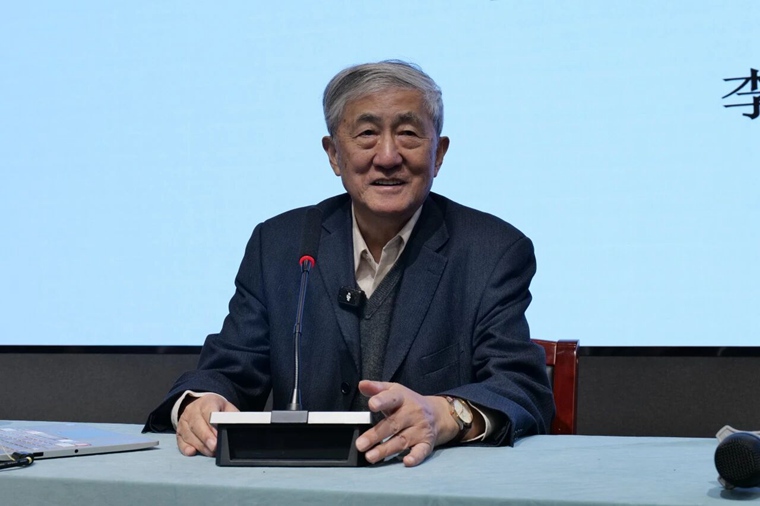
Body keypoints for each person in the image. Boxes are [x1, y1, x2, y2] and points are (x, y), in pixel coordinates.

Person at [144, 60, 554, 467]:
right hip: (302, 485)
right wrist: (200, 403)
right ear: (334, 154)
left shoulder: (491, 251)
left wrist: (445, 414)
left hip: (428, 484)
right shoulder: (281, 245)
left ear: (439, 154)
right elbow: (228, 371)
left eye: (408, 133)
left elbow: (521, 389)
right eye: (367, 134)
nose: (388, 156)